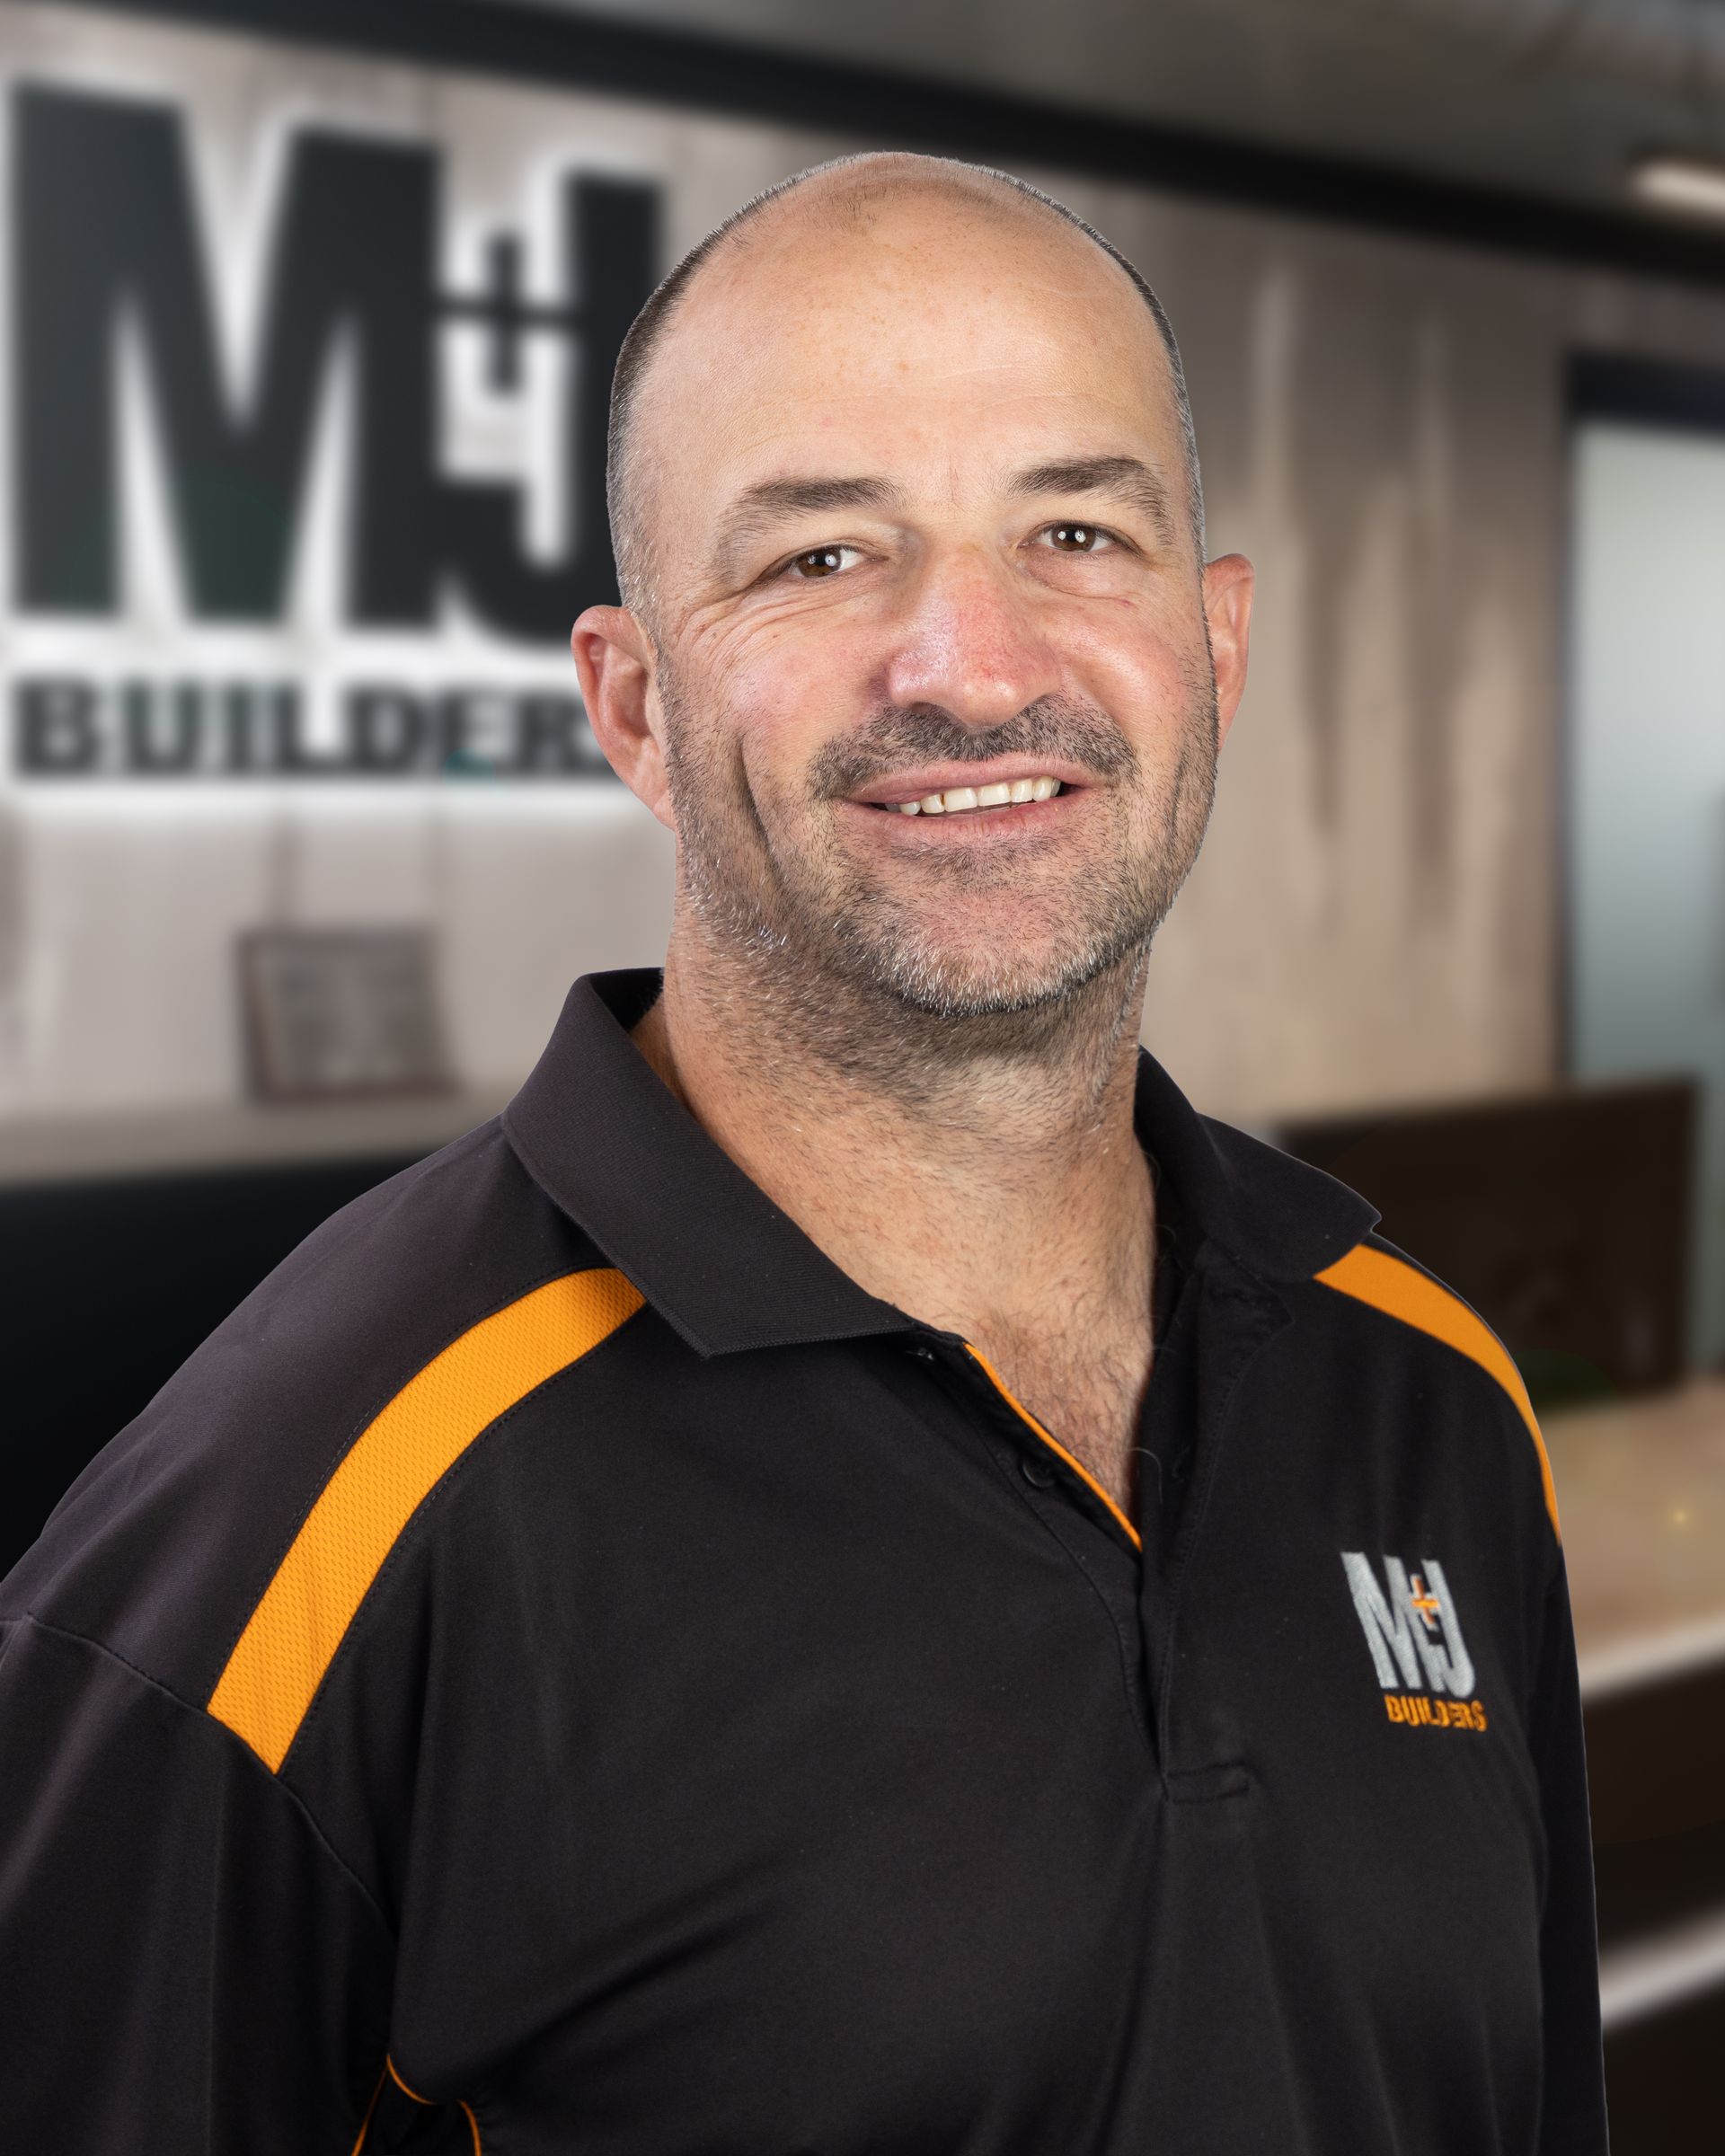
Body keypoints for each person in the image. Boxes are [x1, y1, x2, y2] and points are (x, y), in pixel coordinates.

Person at [0, 153, 1607, 2154]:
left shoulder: (1434, 1404)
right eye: (822, 559)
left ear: (1218, 646)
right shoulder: (301, 1520)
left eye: (1078, 530)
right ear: (633, 703)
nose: (971, 662)